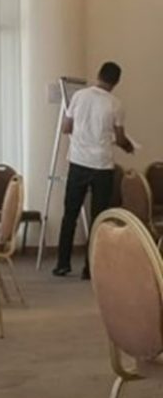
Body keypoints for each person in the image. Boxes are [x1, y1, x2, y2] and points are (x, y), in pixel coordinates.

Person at [53, 61, 134, 279]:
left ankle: (62, 263)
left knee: (70, 214)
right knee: (99, 217)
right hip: (102, 166)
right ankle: (90, 268)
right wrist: (129, 146)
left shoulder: (79, 96)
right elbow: (119, 138)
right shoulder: (116, 104)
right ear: (116, 82)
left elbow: (66, 128)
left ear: (98, 75)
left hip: (78, 162)